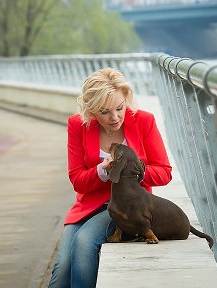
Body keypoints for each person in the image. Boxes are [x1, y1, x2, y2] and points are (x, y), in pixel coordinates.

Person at [48, 67, 172, 288]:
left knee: (84, 243)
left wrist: (133, 169)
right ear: (92, 110)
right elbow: (77, 179)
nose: (114, 118)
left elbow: (164, 173)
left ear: (126, 99)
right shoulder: (78, 125)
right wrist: (101, 171)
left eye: (119, 108)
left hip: (128, 207)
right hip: (88, 206)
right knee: (62, 269)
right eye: (104, 112)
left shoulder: (144, 121)